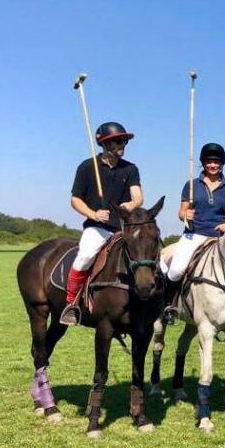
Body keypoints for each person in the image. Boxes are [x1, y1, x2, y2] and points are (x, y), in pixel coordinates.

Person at [60, 122, 143, 326]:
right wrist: (94, 214)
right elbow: (75, 200)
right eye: (117, 141)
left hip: (123, 228)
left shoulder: (130, 169)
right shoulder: (88, 167)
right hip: (97, 228)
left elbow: (138, 197)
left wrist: (130, 205)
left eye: (124, 140)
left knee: (146, 256)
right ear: (104, 144)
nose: (122, 144)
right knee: (85, 256)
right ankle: (72, 303)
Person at [160, 143, 225, 324]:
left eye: (217, 162)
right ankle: (168, 305)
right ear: (203, 163)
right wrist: (185, 214)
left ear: (222, 164)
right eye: (209, 162)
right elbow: (181, 212)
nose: (213, 165)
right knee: (176, 270)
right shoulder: (191, 185)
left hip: (219, 238)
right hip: (194, 234)